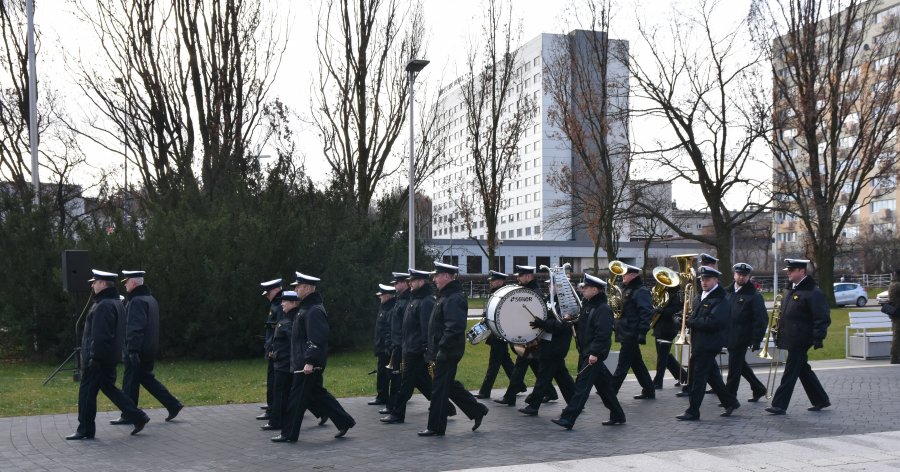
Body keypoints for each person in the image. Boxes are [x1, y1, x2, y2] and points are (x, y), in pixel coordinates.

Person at [67, 270, 150, 440]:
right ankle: (138, 416)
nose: (92, 285)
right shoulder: (114, 302)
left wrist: (94, 357)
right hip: (108, 357)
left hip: (98, 359)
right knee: (110, 389)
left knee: (86, 394)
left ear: (103, 284)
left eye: (95, 282)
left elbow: (101, 336)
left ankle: (85, 429)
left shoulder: (104, 305)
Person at [273, 272, 356, 442]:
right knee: (318, 395)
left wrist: (309, 362)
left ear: (308, 288)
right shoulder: (306, 307)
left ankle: (288, 434)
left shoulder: (313, 310)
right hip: (303, 362)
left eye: (299, 286)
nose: (296, 289)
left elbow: (317, 339)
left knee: (296, 400)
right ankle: (344, 421)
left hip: (308, 364)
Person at [418, 262, 489, 436]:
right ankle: (477, 410)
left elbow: (454, 328)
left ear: (447, 277)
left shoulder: (453, 297)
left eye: (437, 275)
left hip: (448, 351)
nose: (434, 279)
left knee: (439, 388)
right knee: (447, 385)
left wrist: (442, 349)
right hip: (442, 350)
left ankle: (436, 427)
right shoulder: (445, 295)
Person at [381, 268, 456, 424]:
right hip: (409, 348)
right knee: (423, 383)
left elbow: (426, 329)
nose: (410, 284)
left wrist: (425, 350)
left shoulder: (426, 301)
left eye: (413, 281)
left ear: (421, 281)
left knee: (406, 383)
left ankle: (397, 413)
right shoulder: (414, 299)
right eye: (409, 281)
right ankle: (447, 408)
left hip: (416, 350)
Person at [551, 274, 625, 429]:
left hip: (593, 355)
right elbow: (584, 325)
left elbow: (602, 334)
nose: (582, 290)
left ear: (595, 290)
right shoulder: (589, 305)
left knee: (581, 388)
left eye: (585, 287)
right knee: (605, 389)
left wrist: (595, 353)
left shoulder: (603, 309)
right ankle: (618, 414)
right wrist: (570, 320)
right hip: (586, 352)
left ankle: (568, 418)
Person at [110, 270, 182, 426]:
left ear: (134, 282)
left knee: (130, 382)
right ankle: (173, 404)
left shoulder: (136, 301)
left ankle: (129, 414)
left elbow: (135, 327)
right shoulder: (150, 299)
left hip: (138, 349)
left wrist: (133, 350)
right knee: (146, 379)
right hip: (149, 348)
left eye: (127, 281)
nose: (125, 284)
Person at [766, 259, 832, 415]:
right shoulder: (789, 290)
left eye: (792, 270)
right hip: (790, 336)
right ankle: (820, 399)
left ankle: (779, 404)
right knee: (803, 369)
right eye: (788, 270)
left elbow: (822, 318)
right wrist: (776, 331)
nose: (788, 272)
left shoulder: (813, 292)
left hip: (801, 338)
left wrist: (818, 337)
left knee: (790, 371)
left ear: (802, 271)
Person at [676, 267, 740, 421]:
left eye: (708, 279)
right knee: (712, 377)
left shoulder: (721, 300)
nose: (704, 282)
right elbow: (693, 314)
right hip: (698, 343)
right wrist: (680, 318)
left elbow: (714, 322)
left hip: (709, 344)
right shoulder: (701, 296)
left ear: (716, 280)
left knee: (697, 378)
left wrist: (689, 322)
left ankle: (693, 411)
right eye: (702, 279)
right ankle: (730, 402)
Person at [519, 276, 576, 416]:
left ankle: (533, 406)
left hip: (556, 346)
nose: (549, 288)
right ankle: (576, 403)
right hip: (548, 344)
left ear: (560, 287)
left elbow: (561, 325)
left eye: (552, 285)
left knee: (543, 376)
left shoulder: (567, 305)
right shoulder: (549, 301)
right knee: (562, 377)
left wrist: (542, 324)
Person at [493, 265, 546, 406]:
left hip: (530, 337)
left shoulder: (534, 293)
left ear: (528, 277)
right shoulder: (528, 291)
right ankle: (551, 392)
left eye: (520, 276)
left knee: (520, 366)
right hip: (528, 336)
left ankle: (510, 397)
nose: (518, 278)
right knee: (535, 365)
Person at [611, 263, 656, 400]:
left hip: (632, 333)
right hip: (626, 331)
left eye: (625, 273)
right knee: (637, 364)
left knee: (622, 365)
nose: (622, 276)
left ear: (633, 275)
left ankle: (610, 392)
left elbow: (647, 312)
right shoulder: (627, 289)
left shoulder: (640, 290)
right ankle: (649, 390)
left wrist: (642, 332)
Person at [724, 263, 768, 402]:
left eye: (744, 275)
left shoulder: (754, 296)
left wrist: (756, 339)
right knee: (739, 365)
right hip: (728, 335)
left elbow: (761, 320)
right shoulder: (727, 292)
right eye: (739, 274)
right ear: (734, 275)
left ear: (749, 276)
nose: (741, 277)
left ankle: (729, 398)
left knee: (734, 369)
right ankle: (758, 388)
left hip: (742, 337)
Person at [261, 290, 298, 431]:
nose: (282, 303)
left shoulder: (289, 320)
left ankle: (276, 422)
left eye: (285, 301)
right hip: (282, 362)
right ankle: (278, 420)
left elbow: (293, 343)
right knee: (283, 393)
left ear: (294, 303)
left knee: (280, 393)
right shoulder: (288, 318)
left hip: (285, 363)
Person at [476, 271, 515, 399]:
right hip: (496, 333)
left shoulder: (503, 295)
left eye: (493, 280)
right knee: (505, 361)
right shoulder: (495, 293)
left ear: (500, 281)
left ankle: (484, 391)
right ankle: (519, 385)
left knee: (494, 363)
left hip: (499, 334)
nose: (491, 282)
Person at [382, 272, 411, 415]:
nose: (395, 285)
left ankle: (394, 409)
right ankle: (446, 408)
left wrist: (398, 344)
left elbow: (406, 327)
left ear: (405, 283)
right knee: (420, 381)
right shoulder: (401, 300)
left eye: (397, 283)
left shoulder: (406, 301)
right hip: (399, 345)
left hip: (403, 346)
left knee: (398, 379)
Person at [652, 282, 688, 390]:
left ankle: (658, 381)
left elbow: (674, 311)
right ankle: (683, 376)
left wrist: (661, 310)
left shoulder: (677, 296)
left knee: (662, 357)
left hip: (668, 329)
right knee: (665, 355)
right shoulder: (662, 294)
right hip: (659, 328)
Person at [258, 278, 283, 421]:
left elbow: (279, 330)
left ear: (275, 290)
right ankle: (272, 406)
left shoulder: (279, 305)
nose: (267, 296)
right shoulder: (276, 303)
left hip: (276, 350)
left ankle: (273, 408)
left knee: (274, 381)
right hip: (274, 349)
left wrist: (272, 348)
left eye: (268, 293)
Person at [370, 283, 396, 406]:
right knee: (382, 373)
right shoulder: (384, 307)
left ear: (388, 296)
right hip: (382, 347)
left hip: (386, 348)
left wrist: (387, 347)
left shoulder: (390, 309)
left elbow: (389, 330)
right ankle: (382, 395)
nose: (380, 298)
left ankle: (383, 396)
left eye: (382, 295)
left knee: (385, 374)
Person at [888, 269, 900, 364]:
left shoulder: (894, 284)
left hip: (895, 313)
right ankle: (895, 357)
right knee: (897, 336)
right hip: (897, 313)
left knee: (896, 335)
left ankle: (895, 357)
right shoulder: (897, 285)